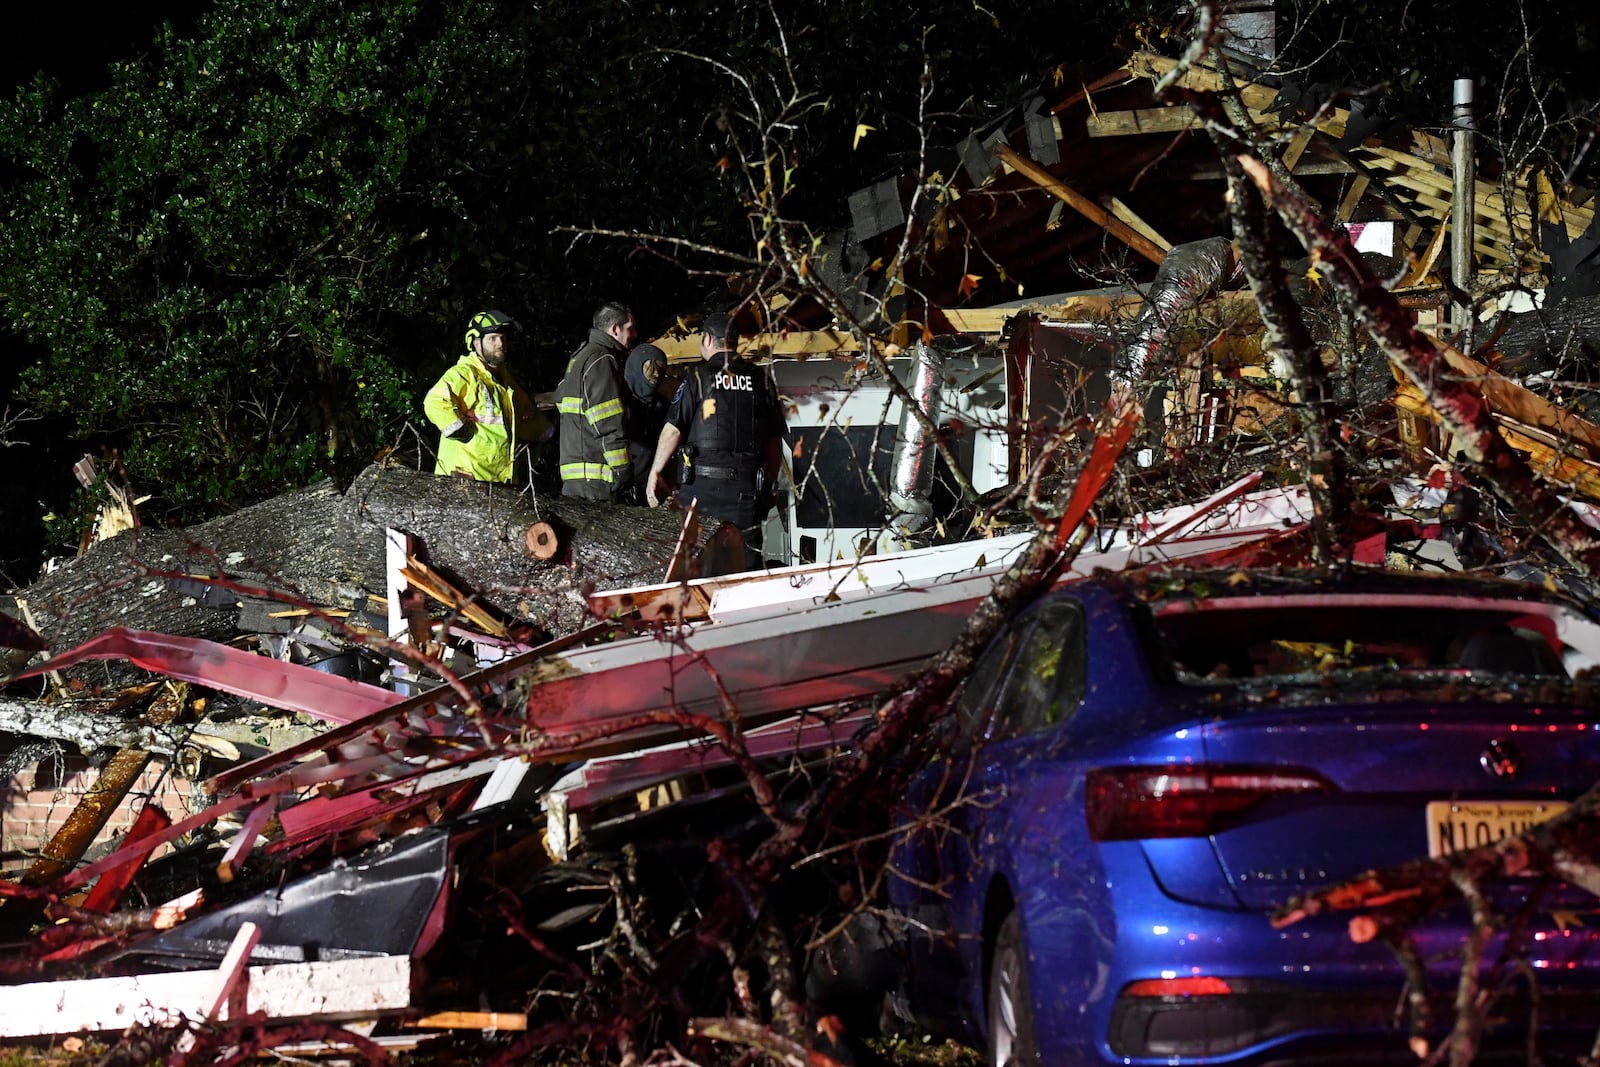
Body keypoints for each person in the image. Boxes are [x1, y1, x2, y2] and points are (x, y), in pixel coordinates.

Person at [646, 311, 786, 570]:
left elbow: (672, 431)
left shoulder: (697, 377)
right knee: (747, 571)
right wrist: (768, 485)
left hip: (702, 493)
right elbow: (774, 442)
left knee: (698, 570)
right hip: (747, 493)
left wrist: (655, 472)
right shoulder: (763, 380)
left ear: (708, 340)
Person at [423, 309, 543, 483]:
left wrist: (547, 432)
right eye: (492, 338)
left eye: (503, 338)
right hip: (465, 479)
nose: (500, 343)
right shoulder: (465, 373)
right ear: (476, 343)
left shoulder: (505, 379)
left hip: (498, 480)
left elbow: (524, 411)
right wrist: (461, 430)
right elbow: (434, 402)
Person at [557, 301, 637, 500]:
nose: (634, 334)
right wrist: (622, 469)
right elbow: (608, 421)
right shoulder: (601, 360)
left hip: (576, 478)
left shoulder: (580, 358)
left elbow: (559, 399)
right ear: (615, 329)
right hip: (596, 479)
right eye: (630, 328)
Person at [623, 340, 677, 496]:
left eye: (661, 369)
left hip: (653, 487)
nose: (656, 374)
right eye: (650, 367)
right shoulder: (620, 402)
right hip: (624, 484)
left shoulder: (662, 406)